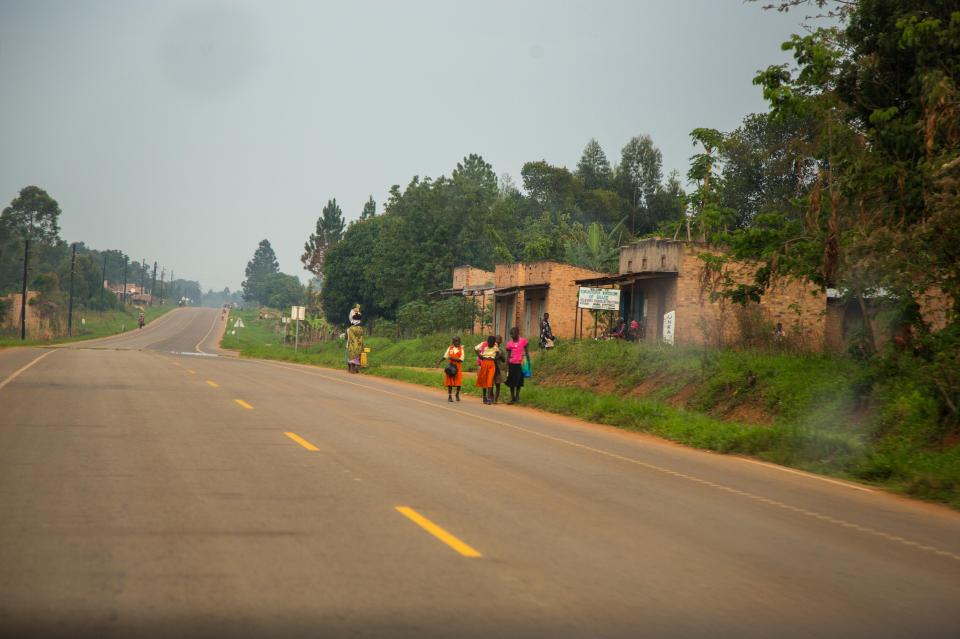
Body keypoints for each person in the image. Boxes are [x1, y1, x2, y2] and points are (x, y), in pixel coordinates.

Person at [504, 326, 530, 404]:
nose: (512, 335)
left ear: (518, 333)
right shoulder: (509, 343)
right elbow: (508, 354)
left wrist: (528, 361)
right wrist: (506, 363)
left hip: (520, 364)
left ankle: (517, 397)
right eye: (511, 334)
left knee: (519, 381)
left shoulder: (523, 341)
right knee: (511, 381)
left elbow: (526, 351)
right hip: (512, 364)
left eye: (513, 334)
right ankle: (512, 398)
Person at [474, 335, 499, 405]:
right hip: (484, 363)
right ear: (487, 342)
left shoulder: (495, 345)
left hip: (492, 364)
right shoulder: (483, 344)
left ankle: (489, 398)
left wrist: (495, 358)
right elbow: (475, 348)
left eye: (492, 344)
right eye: (489, 343)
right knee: (484, 380)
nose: (490, 345)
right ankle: (484, 397)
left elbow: (498, 352)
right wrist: (479, 355)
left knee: (490, 380)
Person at [439, 336, 464, 402]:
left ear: (460, 341)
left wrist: (453, 358)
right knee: (450, 382)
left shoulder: (461, 349)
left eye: (458, 341)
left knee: (458, 382)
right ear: (453, 342)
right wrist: (439, 362)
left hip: (458, 367)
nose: (457, 342)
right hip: (450, 367)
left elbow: (461, 360)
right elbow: (445, 356)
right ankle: (450, 396)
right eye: (455, 341)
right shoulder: (450, 348)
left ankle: (457, 394)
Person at [346, 305, 364, 374]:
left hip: (352, 347)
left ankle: (351, 368)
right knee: (358, 356)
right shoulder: (361, 329)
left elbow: (351, 339)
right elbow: (361, 338)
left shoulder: (350, 329)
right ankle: (356, 367)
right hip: (359, 346)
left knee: (350, 355)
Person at [492, 335, 506, 404]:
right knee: (491, 384)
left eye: (499, 340)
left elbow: (504, 360)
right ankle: (491, 397)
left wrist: (501, 356)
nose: (498, 341)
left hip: (498, 369)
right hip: (492, 368)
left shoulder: (501, 350)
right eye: (497, 340)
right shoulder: (491, 348)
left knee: (497, 384)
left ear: (501, 341)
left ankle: (495, 399)